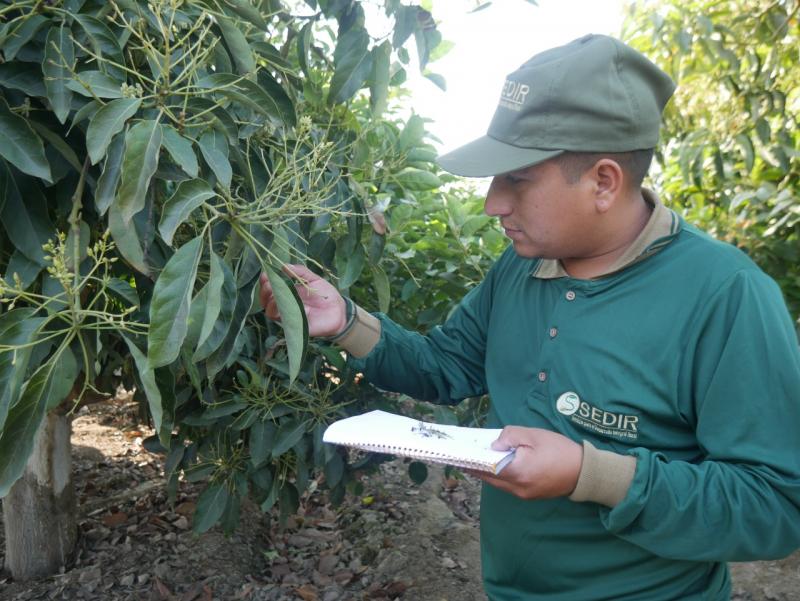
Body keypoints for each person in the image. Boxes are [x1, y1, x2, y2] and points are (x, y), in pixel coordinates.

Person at [260, 34, 800, 600]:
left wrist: (590, 475)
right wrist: (345, 321)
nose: (493, 203)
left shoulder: (724, 295)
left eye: (517, 179)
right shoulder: (523, 268)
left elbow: (774, 505)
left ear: (603, 182)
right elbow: (445, 366)